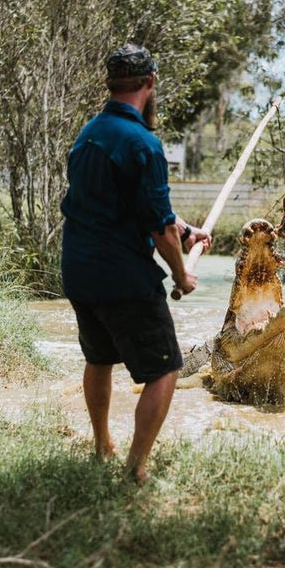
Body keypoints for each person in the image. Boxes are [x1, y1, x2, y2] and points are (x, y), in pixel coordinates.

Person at [60, 43, 210, 484]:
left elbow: (147, 210)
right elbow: (157, 228)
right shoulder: (144, 143)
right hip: (121, 276)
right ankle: (136, 466)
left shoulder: (88, 135)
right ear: (150, 83)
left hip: (79, 272)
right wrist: (182, 273)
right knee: (166, 368)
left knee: (99, 356)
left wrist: (187, 232)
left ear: (110, 85)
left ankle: (102, 444)